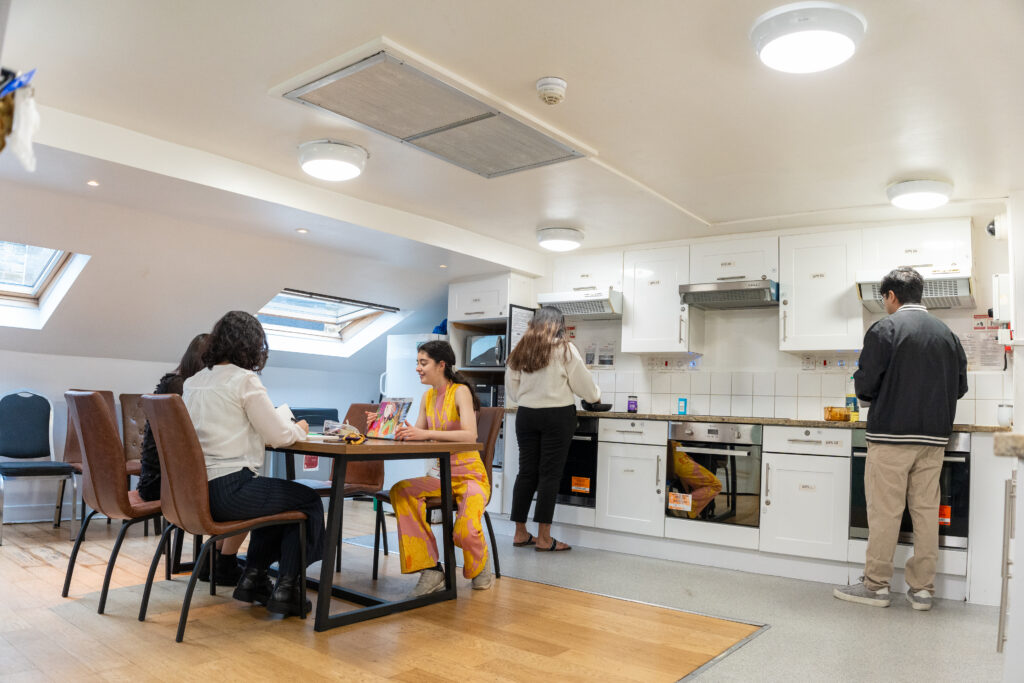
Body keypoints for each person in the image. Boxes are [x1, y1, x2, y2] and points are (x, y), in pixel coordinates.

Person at [833, 268, 967, 612]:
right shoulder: (947, 334)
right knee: (925, 512)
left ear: (891, 296)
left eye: (884, 299)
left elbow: (864, 385)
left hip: (892, 435)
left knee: (885, 512)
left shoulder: (885, 329)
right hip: (934, 438)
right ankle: (922, 590)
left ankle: (876, 586)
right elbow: (961, 387)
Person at [183, 310, 325, 616]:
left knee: (279, 502)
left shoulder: (193, 382)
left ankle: (254, 578)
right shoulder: (244, 380)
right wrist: (298, 429)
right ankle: (288, 587)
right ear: (252, 346)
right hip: (230, 490)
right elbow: (277, 435)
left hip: (194, 492)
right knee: (309, 501)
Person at [389, 340, 493, 595]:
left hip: (471, 477)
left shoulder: (460, 392)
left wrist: (424, 433)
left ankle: (480, 564)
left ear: (441, 365)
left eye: (423, 363)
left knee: (464, 532)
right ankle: (432, 570)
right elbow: (418, 434)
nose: (418, 368)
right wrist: (388, 424)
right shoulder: (427, 396)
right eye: (417, 362)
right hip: (440, 477)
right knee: (401, 490)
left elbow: (470, 436)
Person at [505, 306, 600, 552]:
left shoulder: (519, 351)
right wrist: (594, 397)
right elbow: (585, 386)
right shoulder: (565, 350)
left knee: (526, 473)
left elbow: (513, 391)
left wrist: (531, 397)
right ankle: (545, 538)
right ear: (558, 325)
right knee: (549, 475)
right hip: (557, 415)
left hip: (526, 415)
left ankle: (519, 533)